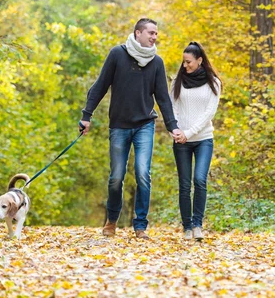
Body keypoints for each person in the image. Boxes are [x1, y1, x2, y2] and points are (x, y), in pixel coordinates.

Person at [79, 18, 184, 240]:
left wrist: (172, 126)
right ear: (138, 33)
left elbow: (163, 98)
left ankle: (140, 225)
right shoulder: (117, 54)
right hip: (119, 125)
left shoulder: (157, 62)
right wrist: (86, 116)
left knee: (143, 173)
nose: (155, 37)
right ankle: (112, 220)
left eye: (156, 34)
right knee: (116, 177)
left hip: (145, 125)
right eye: (151, 33)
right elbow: (100, 86)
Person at [171, 42, 221, 241]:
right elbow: (172, 108)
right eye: (183, 62)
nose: (185, 66)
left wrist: (189, 133)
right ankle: (187, 227)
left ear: (200, 60)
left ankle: (198, 225)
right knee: (184, 184)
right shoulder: (177, 81)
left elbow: (209, 112)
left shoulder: (213, 83)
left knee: (199, 179)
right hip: (180, 140)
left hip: (203, 139)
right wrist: (175, 130)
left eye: (189, 62)